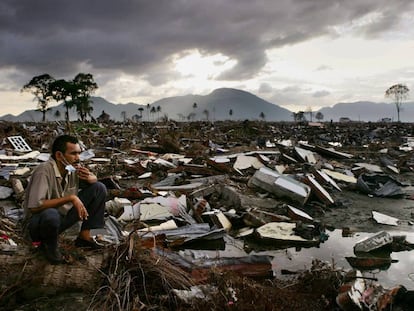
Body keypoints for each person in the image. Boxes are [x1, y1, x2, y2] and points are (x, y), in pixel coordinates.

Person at [24, 135, 107, 264]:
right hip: (39, 225)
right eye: (73, 154)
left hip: (60, 220)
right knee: (51, 213)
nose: (78, 158)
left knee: (99, 188)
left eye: (79, 153)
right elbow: (35, 206)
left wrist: (92, 178)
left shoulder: (70, 169)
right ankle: (48, 247)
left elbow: (93, 186)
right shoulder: (44, 171)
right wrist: (71, 198)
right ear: (59, 155)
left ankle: (86, 237)